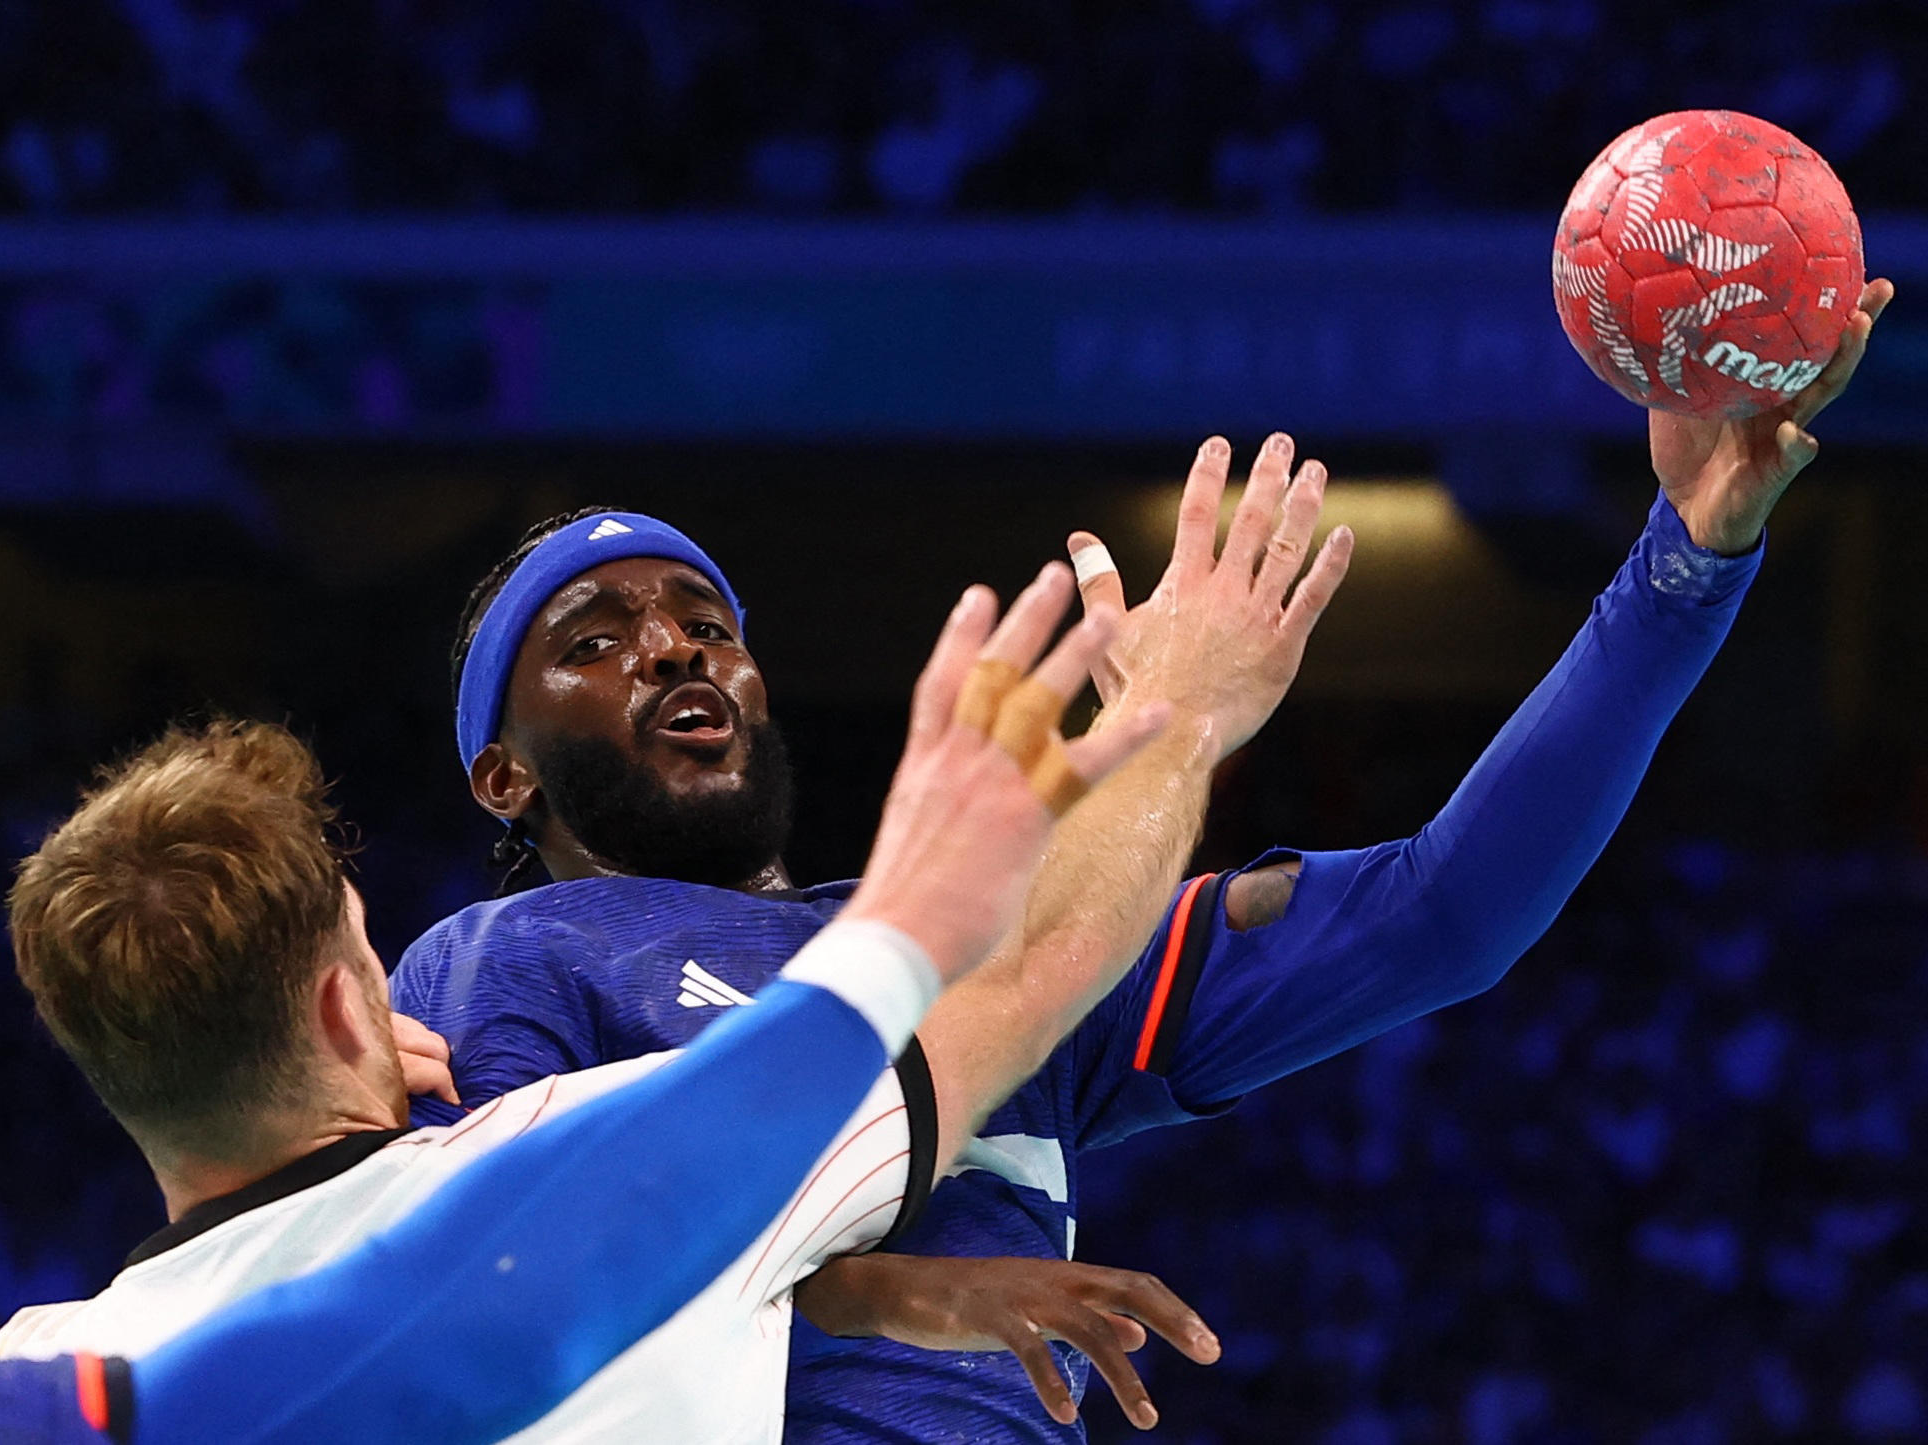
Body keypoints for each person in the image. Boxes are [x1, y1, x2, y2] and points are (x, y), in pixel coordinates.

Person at [393, 281, 1892, 1442]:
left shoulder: (999, 956)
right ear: (500, 770)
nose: (669, 644)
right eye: (592, 642)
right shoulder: (496, 962)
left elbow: (1448, 912)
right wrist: (903, 1294)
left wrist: (1684, 558)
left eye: (702, 620)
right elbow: (533, 1295)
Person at [0, 564, 1259, 1442]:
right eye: (373, 953)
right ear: (342, 1011)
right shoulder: (567, 1169)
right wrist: (1176, 715)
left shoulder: (31, 1385)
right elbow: (1030, 979)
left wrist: (881, 1295)